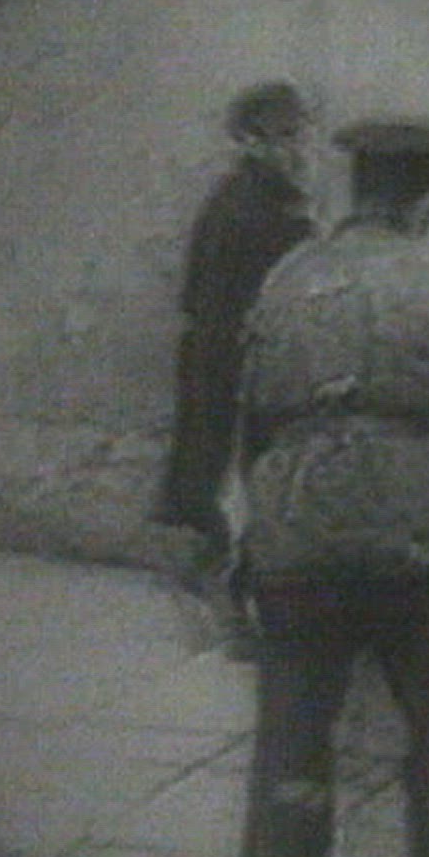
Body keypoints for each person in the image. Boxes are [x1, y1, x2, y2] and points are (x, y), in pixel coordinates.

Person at [223, 118, 429, 857]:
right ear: (427, 196)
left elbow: (256, 407)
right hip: (419, 549)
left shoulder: (289, 275)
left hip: (301, 537)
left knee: (293, 735)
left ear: (359, 190)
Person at [153, 81, 315, 553]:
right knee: (228, 471)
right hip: (233, 357)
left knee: (212, 466)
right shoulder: (255, 208)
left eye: (299, 135)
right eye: (284, 137)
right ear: (250, 141)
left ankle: (208, 544)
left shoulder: (247, 199)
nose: (297, 150)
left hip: (222, 351)